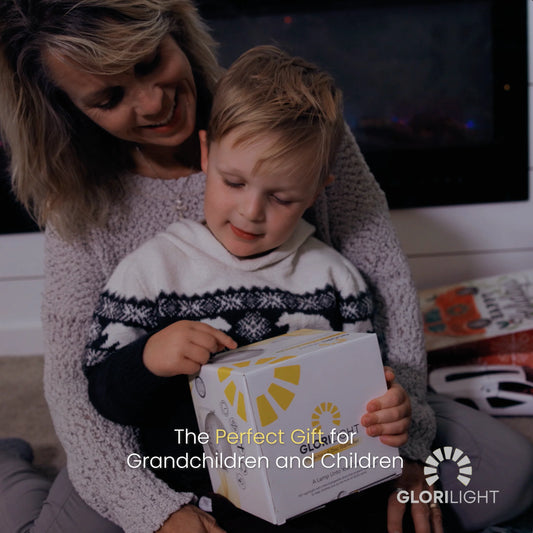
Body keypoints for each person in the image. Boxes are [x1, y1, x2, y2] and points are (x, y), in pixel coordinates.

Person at [0, 0, 531, 532]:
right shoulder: (83, 204)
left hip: (307, 431)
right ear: (70, 108)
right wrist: (153, 509)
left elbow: (385, 286)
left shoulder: (298, 127)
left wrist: (405, 445)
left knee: (506, 477)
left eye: (149, 61)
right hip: (162, 443)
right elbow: (77, 386)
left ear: (175, 31)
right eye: (110, 97)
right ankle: (7, 468)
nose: (154, 101)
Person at [82, 46, 411, 517]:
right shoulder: (152, 272)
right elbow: (104, 396)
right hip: (200, 501)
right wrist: (149, 358)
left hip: (314, 495)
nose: (250, 212)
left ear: (316, 192)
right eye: (234, 183)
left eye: (281, 197)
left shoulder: (334, 279)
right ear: (205, 154)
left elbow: (368, 396)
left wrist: (391, 412)